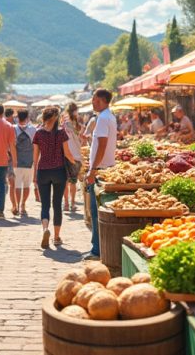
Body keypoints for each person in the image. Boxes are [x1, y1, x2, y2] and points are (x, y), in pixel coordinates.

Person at [32, 106, 74, 249]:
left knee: (45, 204)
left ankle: (45, 229)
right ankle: (56, 237)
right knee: (57, 204)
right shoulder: (61, 132)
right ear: (56, 118)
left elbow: (35, 157)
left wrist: (34, 175)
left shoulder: (38, 133)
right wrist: (77, 164)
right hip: (59, 171)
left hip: (43, 171)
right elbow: (67, 153)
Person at [83, 89, 117, 261]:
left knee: (97, 212)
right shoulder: (109, 116)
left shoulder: (103, 118)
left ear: (102, 100)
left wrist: (93, 170)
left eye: (94, 100)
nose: (92, 103)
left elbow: (102, 145)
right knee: (100, 212)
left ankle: (97, 250)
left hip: (101, 170)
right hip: (107, 168)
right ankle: (98, 247)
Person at [11, 110, 37, 218]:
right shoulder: (33, 129)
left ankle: (17, 205)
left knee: (17, 186)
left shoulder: (13, 128)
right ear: (27, 117)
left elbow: (11, 146)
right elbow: (35, 146)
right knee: (27, 185)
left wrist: (13, 160)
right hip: (29, 162)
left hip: (16, 162)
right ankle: (23, 205)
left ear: (17, 117)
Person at [62, 102, 85, 213]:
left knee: (65, 181)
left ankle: (66, 204)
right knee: (73, 182)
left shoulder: (64, 124)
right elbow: (81, 138)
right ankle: (72, 203)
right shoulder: (77, 125)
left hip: (65, 153)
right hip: (76, 155)